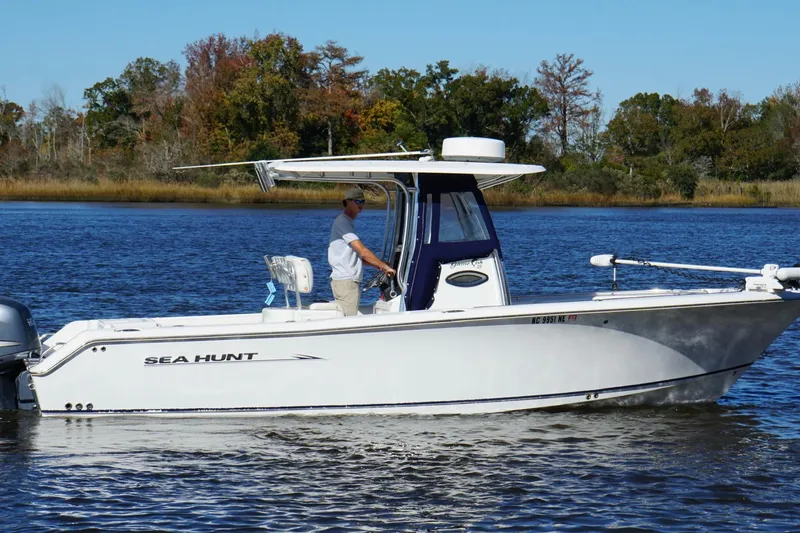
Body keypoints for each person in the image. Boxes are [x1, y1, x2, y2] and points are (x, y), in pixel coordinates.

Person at [328, 187, 396, 316]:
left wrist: (378, 266)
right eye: (357, 201)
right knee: (348, 321)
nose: (361, 205)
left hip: (347, 280)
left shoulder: (347, 222)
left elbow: (356, 257)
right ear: (347, 202)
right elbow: (363, 251)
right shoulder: (343, 222)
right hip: (346, 281)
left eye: (363, 201)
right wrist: (384, 266)